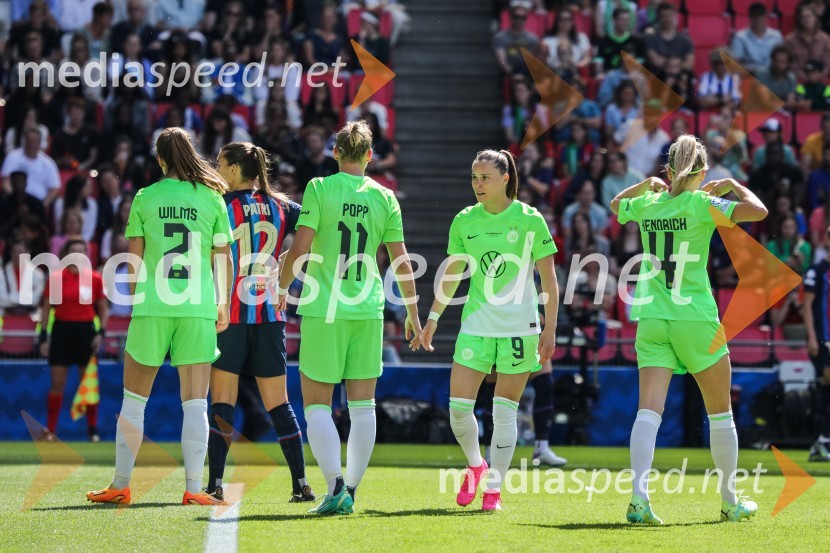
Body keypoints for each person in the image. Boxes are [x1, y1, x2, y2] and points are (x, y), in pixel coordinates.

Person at [610, 134, 767, 524]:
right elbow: (759, 211)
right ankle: (730, 502)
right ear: (702, 171)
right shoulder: (701, 204)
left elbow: (616, 205)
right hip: (695, 316)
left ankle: (638, 500)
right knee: (720, 413)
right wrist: (733, 185)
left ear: (668, 169)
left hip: (652, 317)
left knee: (648, 410)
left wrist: (645, 185)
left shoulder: (647, 204)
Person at [276, 121, 422, 515]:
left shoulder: (320, 188)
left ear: (336, 153)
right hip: (368, 307)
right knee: (363, 406)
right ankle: (352, 490)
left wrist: (279, 288)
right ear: (370, 156)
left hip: (325, 308)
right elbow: (401, 259)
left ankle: (335, 485)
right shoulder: (385, 197)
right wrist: (413, 312)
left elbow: (300, 246)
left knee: (317, 405)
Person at [86, 128, 233, 506]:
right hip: (197, 307)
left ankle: (121, 485)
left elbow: (133, 261)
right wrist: (223, 304)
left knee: (134, 401)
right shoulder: (212, 198)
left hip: (153, 305)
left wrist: (136, 295)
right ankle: (194, 489)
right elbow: (224, 258)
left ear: (160, 159)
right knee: (195, 403)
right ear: (190, 153)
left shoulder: (145, 197)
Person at [418, 149, 560, 511]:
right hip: (477, 325)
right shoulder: (465, 220)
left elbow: (550, 280)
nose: (478, 184)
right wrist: (433, 317)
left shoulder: (530, 219)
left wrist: (550, 328)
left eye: (485, 178)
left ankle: (493, 490)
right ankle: (475, 465)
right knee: (458, 410)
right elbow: (452, 273)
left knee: (504, 413)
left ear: (505, 179)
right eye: (474, 177)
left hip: (520, 328)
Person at [205, 142, 315, 504]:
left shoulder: (220, 205)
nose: (216, 169)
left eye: (220, 163)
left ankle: (214, 484)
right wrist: (289, 257)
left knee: (222, 402)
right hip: (269, 313)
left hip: (230, 315)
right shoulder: (283, 206)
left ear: (235, 169)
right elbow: (318, 225)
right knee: (279, 404)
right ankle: (301, 484)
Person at [38, 240, 108, 442]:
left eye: (81, 251)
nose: (77, 255)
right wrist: (43, 336)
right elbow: (45, 308)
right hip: (61, 330)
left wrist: (100, 333)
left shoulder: (95, 278)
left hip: (86, 331)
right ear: (66, 254)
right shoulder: (56, 278)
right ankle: (51, 430)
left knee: (88, 383)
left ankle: (92, 430)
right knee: (57, 383)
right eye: (73, 251)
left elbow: (103, 309)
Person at [801, 227, 830, 462]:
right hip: (823, 340)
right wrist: (812, 337)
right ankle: (821, 442)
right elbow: (807, 306)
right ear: (825, 239)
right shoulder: (817, 271)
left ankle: (819, 442)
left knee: (825, 391)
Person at [730, 2, 784, 74]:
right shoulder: (740, 37)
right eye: (755, 16)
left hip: (772, 76)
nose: (758, 19)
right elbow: (735, 63)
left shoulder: (776, 36)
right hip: (749, 75)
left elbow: (782, 59)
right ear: (750, 17)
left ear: (766, 17)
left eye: (761, 16)